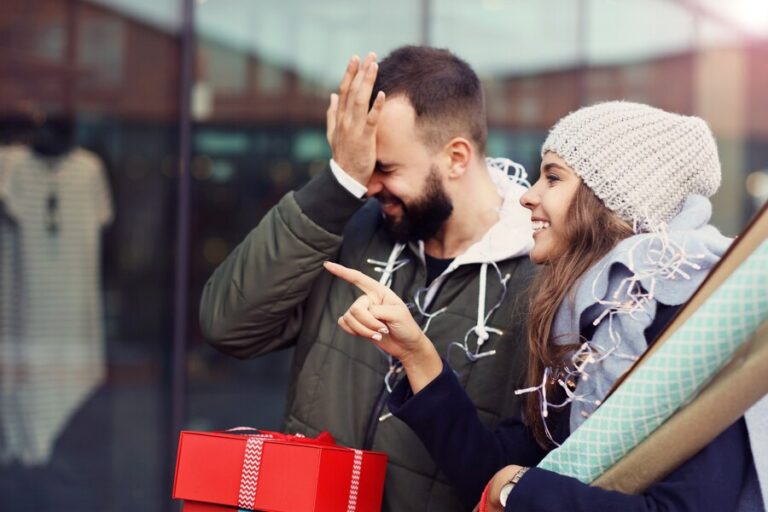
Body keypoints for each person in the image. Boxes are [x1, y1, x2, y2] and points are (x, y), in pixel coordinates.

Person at [326, 101, 764, 511]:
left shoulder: (689, 321)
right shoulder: (581, 316)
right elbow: (492, 471)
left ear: (613, 200)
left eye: (553, 177)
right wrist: (416, 355)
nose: (527, 196)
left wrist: (521, 489)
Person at [199, 46, 536, 511]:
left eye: (385, 168)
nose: (368, 185)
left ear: (457, 157)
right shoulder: (352, 229)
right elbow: (227, 325)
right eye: (359, 166)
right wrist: (336, 184)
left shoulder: (538, 278)